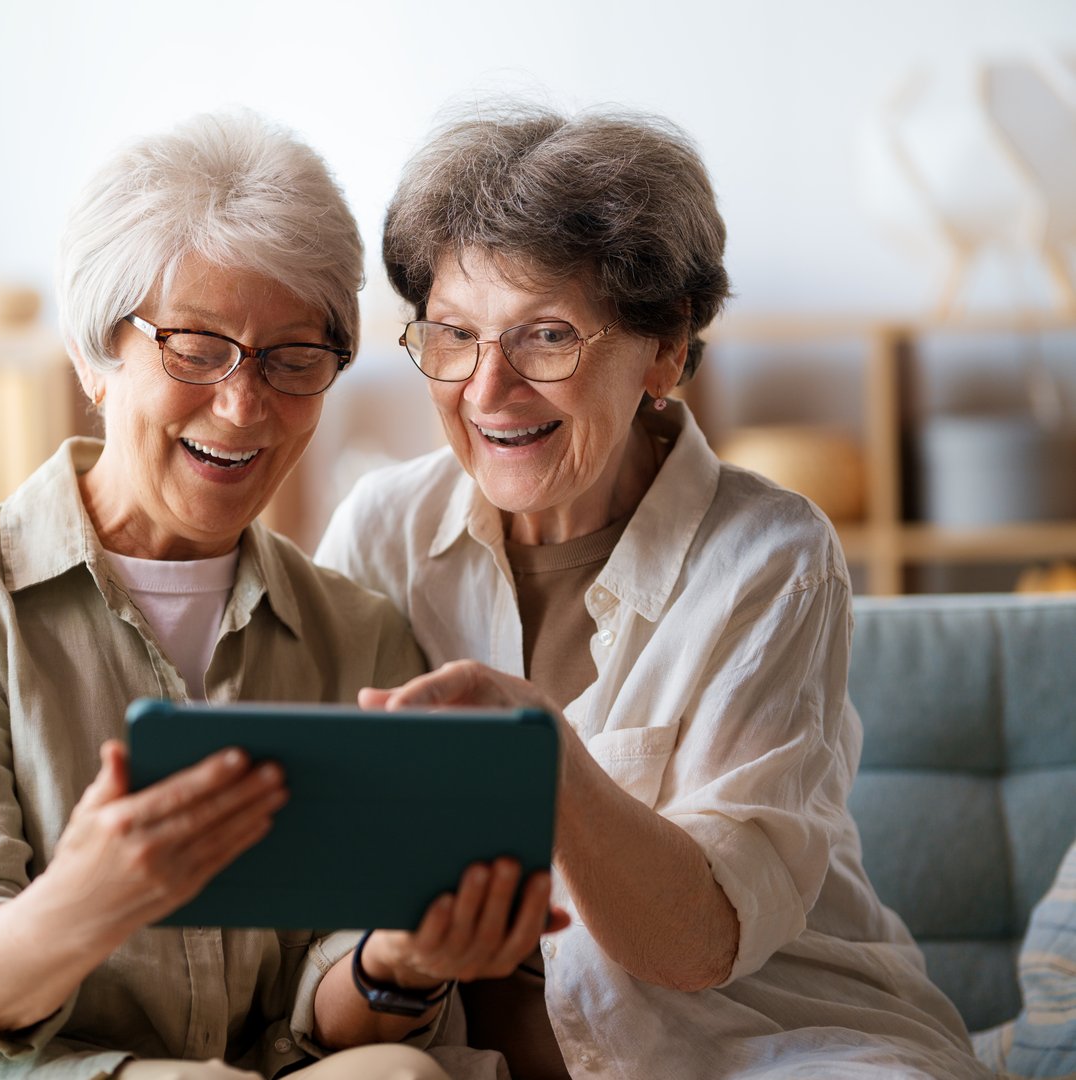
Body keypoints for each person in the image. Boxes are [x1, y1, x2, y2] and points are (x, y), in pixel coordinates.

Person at [0, 111, 558, 1080]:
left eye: (293, 359)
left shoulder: (356, 632)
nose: (244, 405)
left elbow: (318, 1024)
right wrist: (89, 896)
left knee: (405, 1074)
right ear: (95, 354)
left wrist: (396, 964)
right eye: (196, 348)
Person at [317, 104, 992, 1079]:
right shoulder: (377, 534)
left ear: (666, 349)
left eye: (545, 337)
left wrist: (542, 762)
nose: (488, 390)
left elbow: (698, 943)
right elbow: (325, 913)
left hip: (766, 1045)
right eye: (454, 336)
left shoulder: (772, 559)